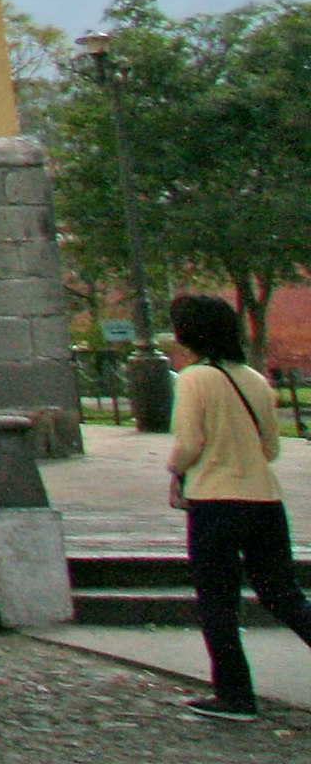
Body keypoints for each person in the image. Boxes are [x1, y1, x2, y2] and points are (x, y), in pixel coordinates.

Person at [168, 291, 311, 722]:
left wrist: (175, 471)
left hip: (215, 499)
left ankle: (234, 694)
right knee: (283, 593)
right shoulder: (253, 379)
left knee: (217, 600)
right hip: (264, 499)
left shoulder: (194, 379)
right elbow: (270, 448)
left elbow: (189, 443)